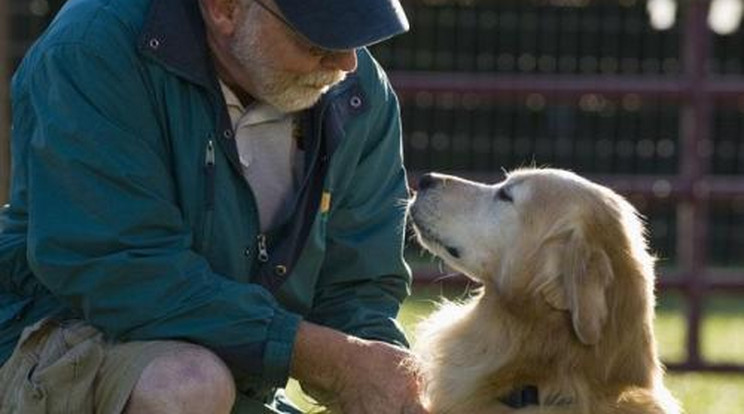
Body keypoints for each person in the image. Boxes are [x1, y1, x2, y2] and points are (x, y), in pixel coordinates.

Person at [0, 0, 428, 412]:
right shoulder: (92, 48)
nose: (348, 62)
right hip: (56, 340)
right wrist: (322, 355)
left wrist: (380, 376)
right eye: (319, 37)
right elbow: (121, 269)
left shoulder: (358, 92)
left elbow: (360, 288)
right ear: (225, 8)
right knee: (188, 386)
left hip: (230, 374)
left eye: (355, 27)